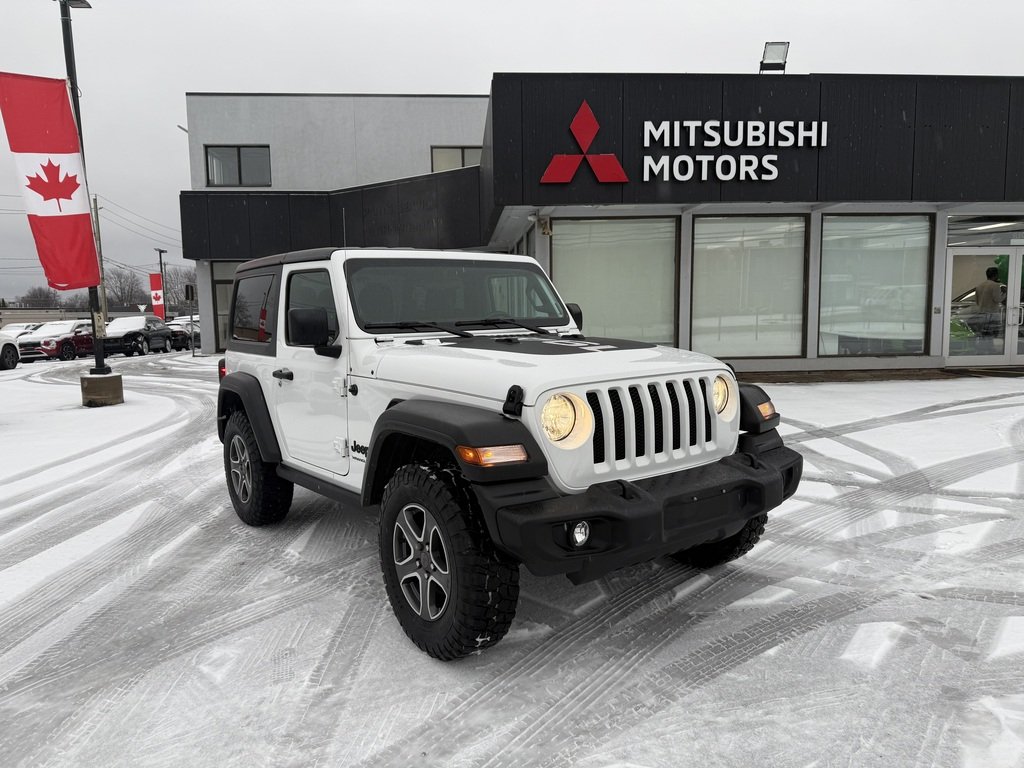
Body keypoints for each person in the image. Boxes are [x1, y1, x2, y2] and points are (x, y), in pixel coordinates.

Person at [974, 266, 1004, 340]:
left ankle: (986, 349)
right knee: (992, 334)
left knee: (983, 334)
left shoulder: (979, 286)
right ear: (996, 275)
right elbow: (997, 299)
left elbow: (977, 301)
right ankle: (990, 349)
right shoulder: (995, 285)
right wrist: (1005, 292)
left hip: (981, 313)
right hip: (992, 314)